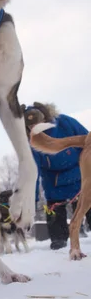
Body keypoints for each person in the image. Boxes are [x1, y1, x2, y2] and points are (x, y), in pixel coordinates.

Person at [24, 102, 91, 249]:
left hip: (80, 172)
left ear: (45, 118)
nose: (32, 128)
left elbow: (87, 140)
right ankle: (58, 239)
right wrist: (32, 201)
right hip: (54, 183)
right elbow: (32, 173)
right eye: (29, 126)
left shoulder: (64, 122)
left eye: (36, 124)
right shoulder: (29, 144)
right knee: (55, 211)